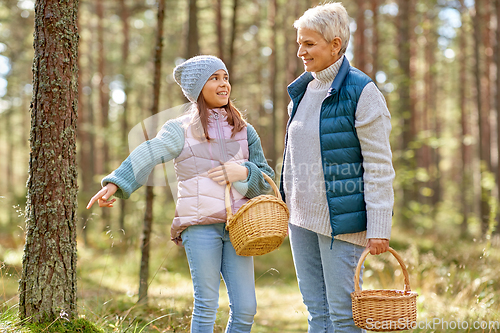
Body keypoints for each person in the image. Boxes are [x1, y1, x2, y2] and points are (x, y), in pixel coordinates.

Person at [87, 55, 274, 333]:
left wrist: (244, 172)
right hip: (200, 229)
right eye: (214, 78)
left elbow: (267, 183)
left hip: (239, 228)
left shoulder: (245, 131)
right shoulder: (181, 129)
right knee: (207, 304)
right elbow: (148, 153)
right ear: (198, 87)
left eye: (225, 77)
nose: (224, 84)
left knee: (246, 308)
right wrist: (115, 183)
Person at [280, 3, 395, 332]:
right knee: (316, 310)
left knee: (344, 315)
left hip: (342, 223)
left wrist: (379, 225)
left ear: (335, 44)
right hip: (299, 219)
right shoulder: (301, 90)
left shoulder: (362, 91)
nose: (301, 51)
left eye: (309, 43)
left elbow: (379, 166)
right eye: (299, 43)